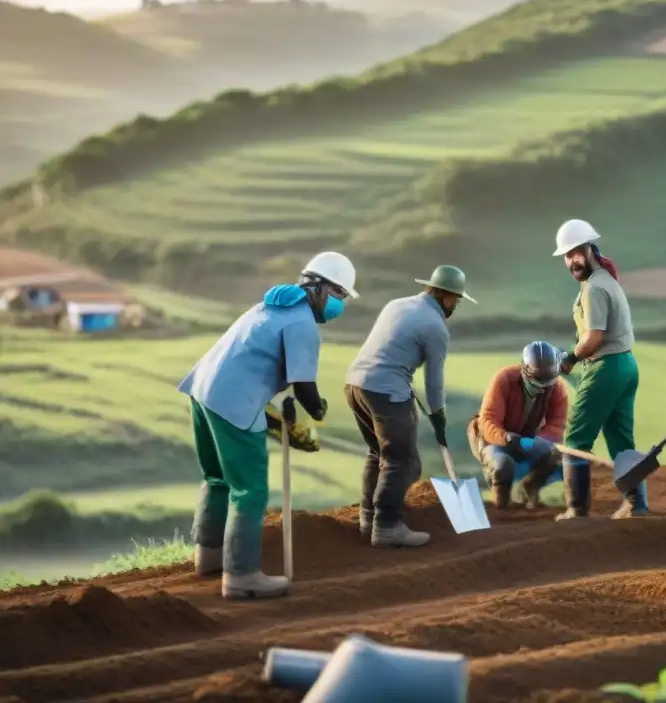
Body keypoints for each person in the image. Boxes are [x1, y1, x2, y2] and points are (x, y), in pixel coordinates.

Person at [178, 251, 358, 599]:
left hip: (202, 391)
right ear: (318, 288)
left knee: (217, 478)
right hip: (233, 402)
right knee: (250, 489)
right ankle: (241, 575)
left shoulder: (270, 306)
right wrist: (317, 410)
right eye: (339, 295)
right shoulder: (302, 323)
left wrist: (277, 417)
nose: (339, 305)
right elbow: (304, 387)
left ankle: (209, 557)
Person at [345, 265, 476, 548]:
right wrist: (438, 414)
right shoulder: (436, 327)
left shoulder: (397, 304)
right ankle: (387, 525)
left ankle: (368, 520)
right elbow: (433, 382)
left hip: (355, 384)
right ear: (449, 298)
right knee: (404, 462)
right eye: (457, 300)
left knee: (377, 453)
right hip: (386, 391)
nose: (456, 306)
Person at [551, 219, 643, 521]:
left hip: (605, 367)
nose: (573, 260)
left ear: (591, 249)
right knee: (621, 440)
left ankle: (576, 511)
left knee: (576, 441)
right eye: (568, 255)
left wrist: (569, 359)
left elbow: (593, 337)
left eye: (578, 252)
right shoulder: (607, 279)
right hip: (626, 365)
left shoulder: (593, 288)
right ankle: (636, 504)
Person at [468, 341, 569, 510]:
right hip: (494, 440)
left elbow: (557, 425)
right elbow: (488, 421)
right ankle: (501, 507)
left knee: (560, 458)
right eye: (538, 383)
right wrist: (505, 438)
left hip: (530, 440)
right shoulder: (503, 379)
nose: (543, 388)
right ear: (524, 372)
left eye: (548, 382)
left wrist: (541, 442)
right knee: (502, 465)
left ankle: (530, 487)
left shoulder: (557, 388)